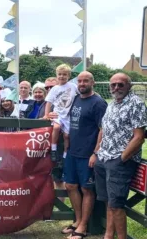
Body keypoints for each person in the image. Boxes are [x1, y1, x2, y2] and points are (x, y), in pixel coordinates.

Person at [51, 71, 107, 239]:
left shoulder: (98, 103)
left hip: (87, 154)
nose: (82, 84)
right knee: (70, 186)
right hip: (72, 152)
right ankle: (78, 220)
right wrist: (51, 114)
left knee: (87, 189)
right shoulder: (75, 98)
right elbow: (62, 114)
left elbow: (103, 129)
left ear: (93, 82)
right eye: (80, 81)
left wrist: (95, 153)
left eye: (86, 81)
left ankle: (83, 226)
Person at [94, 73, 146, 239]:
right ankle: (108, 235)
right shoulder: (112, 104)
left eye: (120, 85)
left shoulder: (136, 104)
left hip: (119, 161)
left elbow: (139, 136)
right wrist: (96, 152)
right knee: (108, 201)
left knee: (117, 205)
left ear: (128, 86)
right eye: (113, 85)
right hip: (103, 157)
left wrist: (121, 159)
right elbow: (104, 129)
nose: (116, 88)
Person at [44, 64, 78, 161]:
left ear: (68, 76)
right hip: (58, 114)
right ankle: (53, 149)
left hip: (68, 115)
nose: (62, 76)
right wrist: (46, 114)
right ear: (56, 75)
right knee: (57, 127)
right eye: (60, 74)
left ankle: (65, 155)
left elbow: (80, 95)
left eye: (64, 74)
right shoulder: (55, 89)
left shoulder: (73, 86)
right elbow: (48, 102)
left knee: (67, 136)